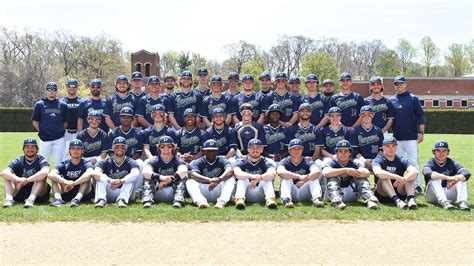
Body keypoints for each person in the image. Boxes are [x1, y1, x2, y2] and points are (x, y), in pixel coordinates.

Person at [390, 76, 426, 195]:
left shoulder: (413, 98)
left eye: (401, 83)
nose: (398, 86)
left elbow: (421, 116)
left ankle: (417, 186)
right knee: (398, 164)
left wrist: (421, 132)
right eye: (396, 84)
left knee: (413, 162)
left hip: (411, 137)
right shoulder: (391, 100)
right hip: (397, 138)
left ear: (405, 84)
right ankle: (399, 184)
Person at [322, 140, 379, 210]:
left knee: (361, 178)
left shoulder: (354, 163)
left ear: (350, 153)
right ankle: (337, 202)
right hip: (333, 193)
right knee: (332, 177)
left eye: (346, 151)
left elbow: (367, 173)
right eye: (340, 151)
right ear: (336, 153)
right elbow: (325, 173)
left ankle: (371, 201)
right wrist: (346, 170)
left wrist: (353, 172)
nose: (343, 153)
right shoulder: (332, 163)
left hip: (351, 192)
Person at [1, 138, 51, 208]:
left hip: (39, 193)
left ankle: (31, 200)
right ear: (23, 149)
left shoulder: (41, 160)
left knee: (41, 178)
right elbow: (4, 173)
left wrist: (27, 180)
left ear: (37, 149)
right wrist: (18, 179)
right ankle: (9, 199)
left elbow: (45, 172)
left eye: (32, 147)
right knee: (8, 177)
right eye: (27, 147)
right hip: (21, 190)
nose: (30, 149)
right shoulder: (19, 160)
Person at [141, 136, 188, 208]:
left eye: (169, 146)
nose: (166, 148)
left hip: (174, 191)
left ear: (173, 147)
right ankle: (147, 200)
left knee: (181, 178)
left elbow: (184, 170)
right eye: (162, 146)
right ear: (159, 147)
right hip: (158, 190)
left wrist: (170, 180)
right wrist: (161, 177)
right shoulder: (155, 160)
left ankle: (178, 201)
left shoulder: (177, 160)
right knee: (147, 178)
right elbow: (145, 172)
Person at [93, 137, 140, 208]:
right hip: (110, 189)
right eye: (117, 146)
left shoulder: (131, 162)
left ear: (126, 148)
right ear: (112, 148)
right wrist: (111, 181)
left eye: (122, 146)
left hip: (125, 191)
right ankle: (101, 200)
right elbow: (96, 173)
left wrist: (121, 181)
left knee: (130, 181)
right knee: (100, 179)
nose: (120, 148)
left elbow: (135, 173)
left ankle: (122, 200)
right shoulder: (105, 162)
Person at [187, 139, 236, 209]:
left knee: (231, 179)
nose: (211, 152)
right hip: (205, 188)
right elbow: (193, 175)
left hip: (218, 188)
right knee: (190, 182)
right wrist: (209, 180)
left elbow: (230, 170)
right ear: (204, 151)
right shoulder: (199, 161)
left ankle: (222, 202)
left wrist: (219, 179)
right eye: (208, 150)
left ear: (216, 151)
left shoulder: (221, 159)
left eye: (213, 150)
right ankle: (201, 201)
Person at [372, 137, 418, 210]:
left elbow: (415, 172)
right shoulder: (378, 159)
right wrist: (395, 177)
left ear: (396, 147)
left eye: (393, 146)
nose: (391, 148)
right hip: (383, 194)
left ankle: (411, 200)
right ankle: (397, 201)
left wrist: (403, 179)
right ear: (383, 148)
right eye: (388, 146)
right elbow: (378, 172)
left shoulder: (401, 159)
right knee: (384, 177)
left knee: (409, 175)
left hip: (399, 190)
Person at [423, 140, 470, 211]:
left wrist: (455, 179)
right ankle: (444, 202)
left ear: (447, 152)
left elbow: (466, 173)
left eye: (444, 150)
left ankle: (462, 202)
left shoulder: (451, 162)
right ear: (434, 152)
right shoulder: (431, 162)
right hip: (432, 195)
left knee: (461, 180)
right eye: (438, 150)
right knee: (435, 179)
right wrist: (448, 178)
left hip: (448, 192)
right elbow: (427, 173)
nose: (441, 153)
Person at [277, 139, 324, 208]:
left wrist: (304, 180)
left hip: (304, 190)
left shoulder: (307, 161)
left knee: (313, 178)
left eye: (299, 149)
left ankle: (317, 199)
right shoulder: (285, 161)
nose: (296, 151)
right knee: (286, 179)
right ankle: (286, 200)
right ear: (289, 151)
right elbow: (280, 172)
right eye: (294, 149)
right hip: (291, 190)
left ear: (302, 150)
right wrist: (299, 176)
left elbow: (316, 172)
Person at [48, 139, 95, 208]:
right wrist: (66, 181)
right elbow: (51, 174)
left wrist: (74, 183)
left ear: (82, 151)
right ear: (69, 151)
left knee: (86, 178)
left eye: (78, 149)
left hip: (83, 192)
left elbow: (89, 173)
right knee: (55, 178)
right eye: (73, 148)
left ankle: (77, 199)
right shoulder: (64, 164)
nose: (75, 151)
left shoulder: (86, 163)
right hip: (67, 190)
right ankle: (58, 199)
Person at [32, 81, 69, 167]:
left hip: (59, 139)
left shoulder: (63, 105)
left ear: (56, 91)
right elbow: (35, 121)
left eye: (54, 89)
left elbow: (65, 122)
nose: (51, 91)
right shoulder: (39, 105)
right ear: (46, 91)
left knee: (59, 162)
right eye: (49, 89)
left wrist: (58, 130)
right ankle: (43, 180)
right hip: (44, 138)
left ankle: (57, 180)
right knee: (43, 162)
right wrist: (43, 130)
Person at [233, 139, 277, 210]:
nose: (255, 150)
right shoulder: (242, 161)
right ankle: (240, 200)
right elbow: (237, 173)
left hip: (261, 193)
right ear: (248, 150)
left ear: (261, 150)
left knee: (267, 179)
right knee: (242, 180)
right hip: (247, 193)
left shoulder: (266, 161)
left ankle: (270, 200)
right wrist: (253, 176)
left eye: (257, 148)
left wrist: (260, 178)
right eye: (252, 148)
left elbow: (272, 173)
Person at [349, 105, 384, 170]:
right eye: (363, 114)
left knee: (381, 170)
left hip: (375, 159)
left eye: (369, 114)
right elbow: (354, 151)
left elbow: (381, 149)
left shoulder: (378, 130)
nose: (366, 116)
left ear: (373, 115)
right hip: (360, 159)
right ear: (360, 116)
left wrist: (376, 160)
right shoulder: (355, 131)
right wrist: (364, 161)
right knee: (360, 167)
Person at [62, 78, 82, 160]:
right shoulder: (62, 102)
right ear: (66, 87)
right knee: (66, 155)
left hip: (78, 132)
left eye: (74, 86)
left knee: (79, 155)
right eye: (69, 86)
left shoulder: (82, 102)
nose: (72, 87)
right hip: (65, 132)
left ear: (77, 87)